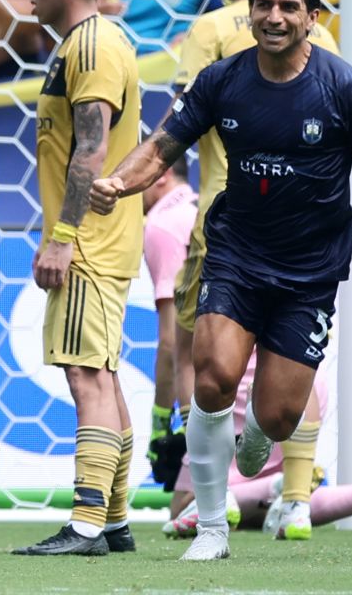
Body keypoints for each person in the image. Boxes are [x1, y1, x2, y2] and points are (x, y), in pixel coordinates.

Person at [90, 0, 352, 561]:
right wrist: (118, 183)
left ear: (312, 18)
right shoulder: (222, 81)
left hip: (310, 272)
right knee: (212, 379)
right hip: (236, 255)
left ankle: (259, 442)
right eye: (263, 5)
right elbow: (163, 145)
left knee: (277, 415)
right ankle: (213, 529)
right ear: (250, 14)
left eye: (288, 7)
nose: (273, 16)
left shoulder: (344, 88)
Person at [167, 0, 339, 538]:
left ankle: (200, 494)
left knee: (205, 363)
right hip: (303, 229)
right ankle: (294, 499)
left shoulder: (212, 29)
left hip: (225, 221)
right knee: (292, 358)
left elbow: (182, 121)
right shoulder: (325, 40)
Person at [10, 0, 142, 557]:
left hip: (87, 239)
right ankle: (113, 521)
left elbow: (91, 147)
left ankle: (86, 524)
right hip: (102, 237)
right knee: (105, 378)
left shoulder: (91, 45)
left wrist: (62, 237)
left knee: (87, 375)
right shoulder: (88, 42)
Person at [164, 355, 352, 538]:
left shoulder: (201, 263)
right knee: (279, 511)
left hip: (239, 395)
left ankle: (272, 488)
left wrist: (165, 421)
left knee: (185, 508)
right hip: (302, 396)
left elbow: (175, 352)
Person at [140, 157, 196, 481]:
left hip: (210, 387)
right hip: (253, 375)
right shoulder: (199, 209)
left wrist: (161, 421)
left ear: (162, 175)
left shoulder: (163, 224)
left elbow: (171, 342)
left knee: (187, 507)